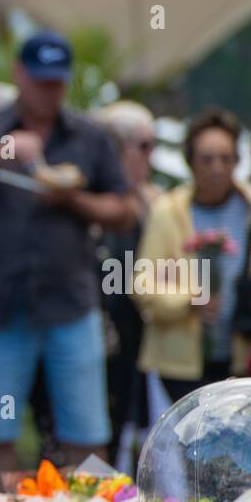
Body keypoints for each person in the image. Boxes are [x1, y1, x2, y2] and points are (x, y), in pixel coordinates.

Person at [0, 30, 133, 491]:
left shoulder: (89, 136)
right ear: (18, 74)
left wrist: (72, 199)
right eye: (40, 81)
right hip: (2, 308)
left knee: (86, 433)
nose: (49, 92)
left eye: (57, 83)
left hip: (71, 306)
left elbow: (125, 211)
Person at [133, 107, 251, 402]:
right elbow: (143, 284)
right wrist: (190, 300)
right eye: (207, 159)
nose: (217, 168)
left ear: (237, 161)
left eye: (226, 158)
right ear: (191, 162)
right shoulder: (167, 211)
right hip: (179, 364)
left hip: (242, 358)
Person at [94, 99, 161, 468]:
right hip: (96, 327)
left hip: (137, 334)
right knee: (93, 428)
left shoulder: (155, 201)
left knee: (129, 425)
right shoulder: (93, 199)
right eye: (145, 146)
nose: (151, 157)